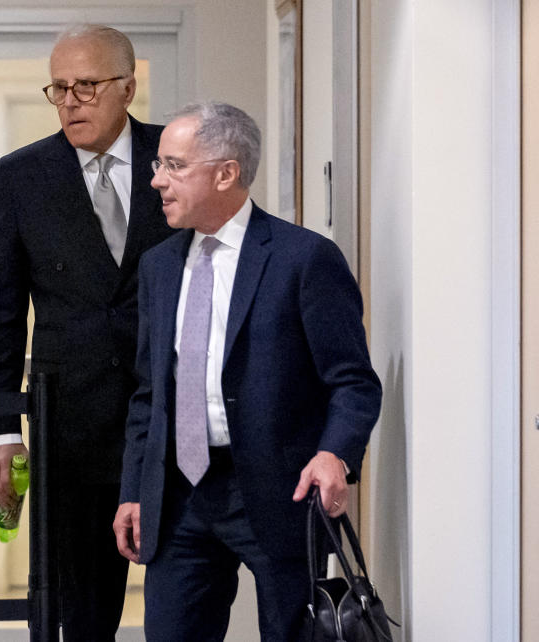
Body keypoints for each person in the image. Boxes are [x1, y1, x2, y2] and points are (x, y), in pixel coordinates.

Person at [112, 101, 382, 641]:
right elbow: (150, 394)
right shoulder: (159, 265)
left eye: (174, 166)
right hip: (180, 495)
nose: (157, 181)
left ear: (226, 172)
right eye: (157, 166)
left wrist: (335, 454)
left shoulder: (304, 258)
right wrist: (135, 489)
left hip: (279, 493)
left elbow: (353, 381)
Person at [0, 24, 175, 640]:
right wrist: (2, 432)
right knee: (84, 616)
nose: (69, 102)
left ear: (127, 87)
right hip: (72, 426)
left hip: (171, 419)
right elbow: (2, 313)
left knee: (182, 599)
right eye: (58, 88)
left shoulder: (175, 156)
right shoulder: (21, 176)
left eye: (86, 87)